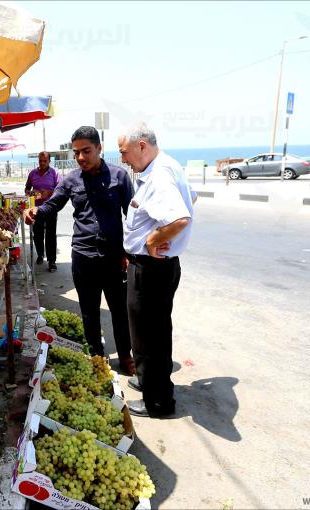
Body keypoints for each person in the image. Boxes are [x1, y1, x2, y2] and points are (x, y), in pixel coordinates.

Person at [23, 126, 136, 375]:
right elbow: (52, 205)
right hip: (83, 256)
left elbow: (133, 217)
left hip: (113, 257)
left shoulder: (120, 177)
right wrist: (36, 212)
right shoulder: (72, 179)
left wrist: (129, 252)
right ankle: (96, 355)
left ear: (99, 148)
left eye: (86, 151)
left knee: (119, 310)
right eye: (76, 153)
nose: (81, 157)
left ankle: (126, 356)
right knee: (88, 310)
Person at [118, 124, 195, 418]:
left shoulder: (159, 175)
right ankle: (152, 382)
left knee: (146, 336)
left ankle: (158, 402)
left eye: (124, 151)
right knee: (157, 332)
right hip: (160, 268)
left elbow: (180, 217)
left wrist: (154, 238)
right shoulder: (168, 165)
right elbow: (193, 197)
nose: (123, 159)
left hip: (151, 269)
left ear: (140, 146)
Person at [25, 151, 60, 271]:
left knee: (50, 235)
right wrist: (30, 193)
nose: (42, 163)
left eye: (45, 161)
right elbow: (27, 188)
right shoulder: (32, 173)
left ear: (49, 161)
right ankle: (40, 254)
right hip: (36, 209)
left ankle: (51, 261)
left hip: (50, 208)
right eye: (40, 160)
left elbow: (60, 190)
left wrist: (49, 193)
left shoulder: (55, 173)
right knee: (37, 234)